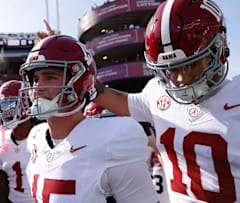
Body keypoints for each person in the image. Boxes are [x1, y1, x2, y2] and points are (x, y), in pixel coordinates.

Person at [92, 0, 240, 202]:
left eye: (192, 64)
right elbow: (124, 103)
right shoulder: (157, 94)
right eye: (172, 68)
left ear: (218, 49)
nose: (180, 79)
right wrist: (86, 80)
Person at [18, 35, 158, 202]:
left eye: (50, 77)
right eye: (35, 79)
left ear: (80, 82)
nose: (38, 86)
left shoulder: (112, 138)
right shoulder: (36, 136)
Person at [0, 80, 35, 203]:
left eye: (9, 106)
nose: (4, 112)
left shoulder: (42, 136)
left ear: (27, 104)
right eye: (1, 107)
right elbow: (3, 187)